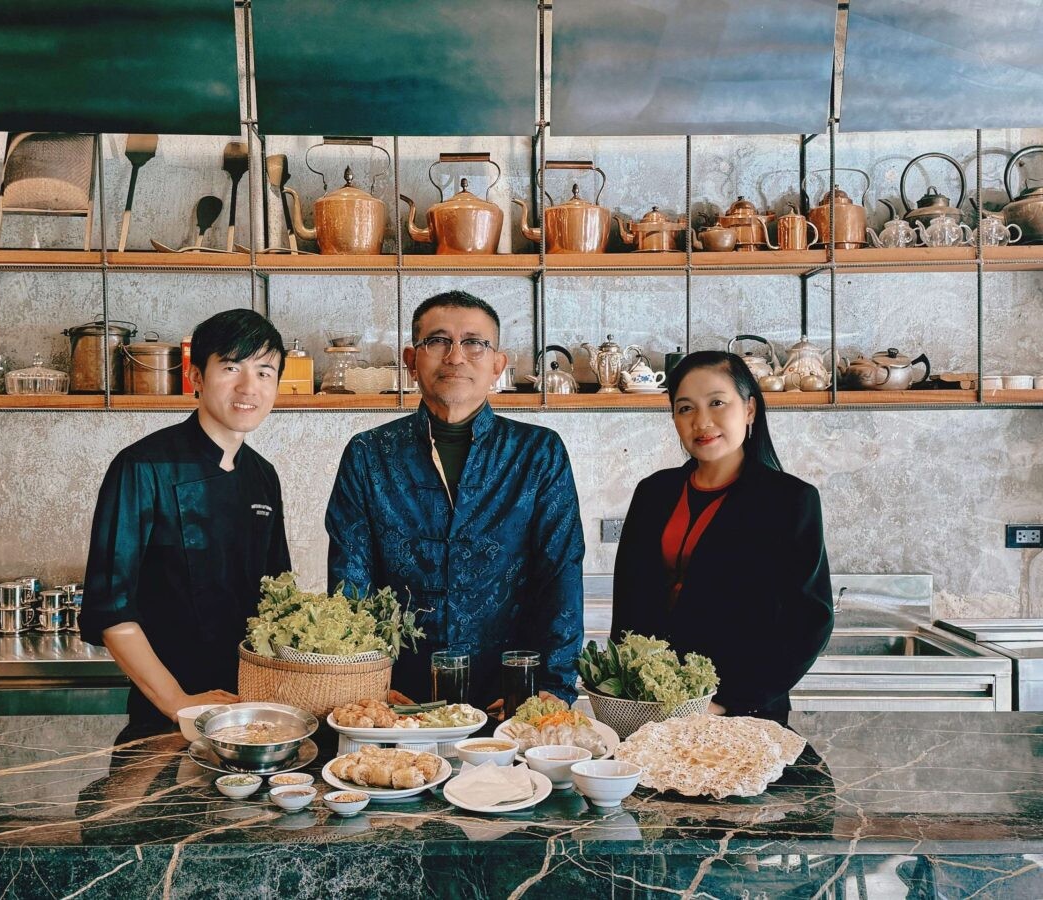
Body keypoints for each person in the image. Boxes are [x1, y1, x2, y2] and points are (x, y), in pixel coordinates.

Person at [325, 290, 585, 711]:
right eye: (438, 341)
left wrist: (552, 689)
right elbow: (351, 583)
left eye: (474, 343)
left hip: (513, 696)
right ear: (412, 361)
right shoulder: (369, 454)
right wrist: (364, 686)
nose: (455, 357)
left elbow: (560, 574)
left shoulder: (538, 453)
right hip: (398, 697)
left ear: (498, 365)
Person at [80, 309, 291, 739]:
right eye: (231, 367)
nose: (249, 387)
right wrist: (179, 704)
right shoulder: (142, 466)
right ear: (195, 376)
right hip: (165, 715)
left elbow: (278, 600)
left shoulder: (263, 476)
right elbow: (111, 610)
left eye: (264, 372)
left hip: (250, 713)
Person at [611, 350, 833, 725]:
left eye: (717, 403)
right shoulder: (654, 492)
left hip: (744, 712)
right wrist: (624, 684)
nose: (702, 421)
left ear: (749, 410)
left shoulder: (789, 500)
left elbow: (809, 621)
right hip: (652, 709)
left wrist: (726, 702)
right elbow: (628, 602)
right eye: (685, 409)